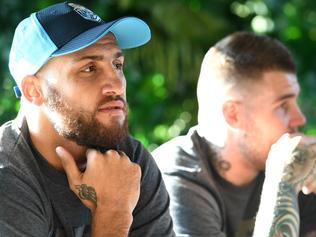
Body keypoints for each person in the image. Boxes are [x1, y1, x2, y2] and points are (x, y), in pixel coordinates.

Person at [0, 2, 174, 236]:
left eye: (117, 65)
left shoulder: (129, 161)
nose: (117, 85)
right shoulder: (8, 178)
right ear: (33, 90)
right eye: (89, 68)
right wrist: (113, 215)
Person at [152, 32, 316, 237]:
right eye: (283, 105)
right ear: (233, 114)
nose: (300, 118)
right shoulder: (175, 177)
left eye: (295, 102)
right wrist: (282, 183)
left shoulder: (291, 165)